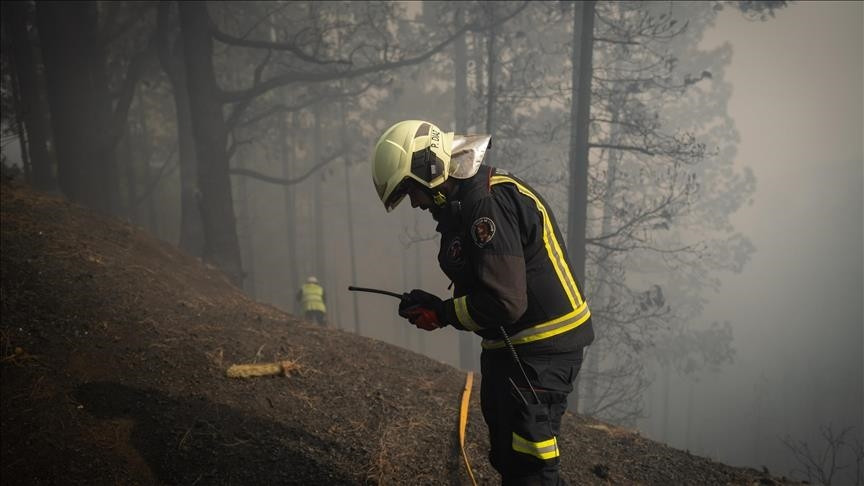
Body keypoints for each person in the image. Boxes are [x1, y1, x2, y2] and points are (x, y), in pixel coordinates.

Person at [371, 120, 594, 485]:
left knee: (531, 467)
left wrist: (444, 313)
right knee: (508, 457)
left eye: (410, 190)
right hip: (513, 348)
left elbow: (505, 303)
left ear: (429, 169)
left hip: (542, 351)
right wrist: (439, 307)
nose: (414, 202)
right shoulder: (465, 202)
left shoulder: (486, 203)